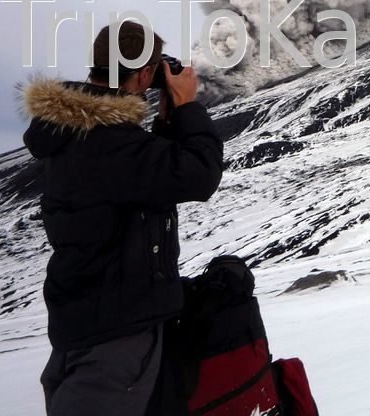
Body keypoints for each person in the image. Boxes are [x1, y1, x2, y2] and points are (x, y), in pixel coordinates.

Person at [22, 21, 224, 416]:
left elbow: (147, 181)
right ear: (145, 73)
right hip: (117, 338)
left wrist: (165, 122)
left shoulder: (75, 129)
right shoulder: (106, 140)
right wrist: (187, 107)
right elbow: (198, 175)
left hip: (85, 321)